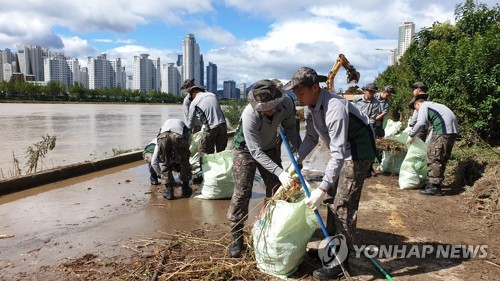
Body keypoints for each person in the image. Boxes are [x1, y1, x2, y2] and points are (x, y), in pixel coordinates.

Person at [283, 67, 376, 280]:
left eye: (301, 92)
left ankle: (341, 261)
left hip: (358, 152)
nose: (297, 96)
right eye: (295, 92)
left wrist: (322, 187)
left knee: (344, 204)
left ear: (315, 88)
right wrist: (295, 162)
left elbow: (338, 152)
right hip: (342, 151)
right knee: (332, 199)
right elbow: (311, 139)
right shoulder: (309, 106)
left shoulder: (335, 107)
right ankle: (331, 248)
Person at [227, 79, 299, 258]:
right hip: (245, 149)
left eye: (271, 107)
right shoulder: (249, 114)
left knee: (276, 188)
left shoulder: (288, 103)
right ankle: (237, 235)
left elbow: (291, 130)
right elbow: (255, 152)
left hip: (270, 146)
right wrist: (280, 171)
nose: (268, 111)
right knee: (242, 191)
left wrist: (299, 158)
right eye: (263, 109)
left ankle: (270, 225)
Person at [407, 97, 458, 196]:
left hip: (443, 132)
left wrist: (411, 134)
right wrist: (428, 142)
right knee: (441, 157)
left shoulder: (423, 106)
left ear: (417, 104)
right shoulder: (434, 105)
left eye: (415, 109)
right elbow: (435, 127)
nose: (417, 111)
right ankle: (435, 184)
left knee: (434, 157)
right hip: (452, 132)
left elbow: (421, 122)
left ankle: (434, 187)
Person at [151, 119, 193, 200]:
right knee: (184, 162)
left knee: (165, 163)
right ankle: (185, 189)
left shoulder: (161, 134)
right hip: (178, 136)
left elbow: (154, 162)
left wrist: (161, 175)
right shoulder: (183, 126)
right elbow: (188, 144)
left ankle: (169, 191)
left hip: (163, 138)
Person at [185, 83, 228, 158]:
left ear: (193, 93)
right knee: (221, 153)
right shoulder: (212, 95)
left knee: (205, 154)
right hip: (223, 125)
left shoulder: (195, 102)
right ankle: (221, 168)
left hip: (210, 128)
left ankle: (208, 169)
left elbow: (190, 121)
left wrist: (189, 135)